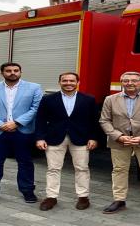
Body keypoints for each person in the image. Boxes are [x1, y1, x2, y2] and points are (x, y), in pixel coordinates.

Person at [99, 71, 140, 219]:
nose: (130, 83)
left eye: (134, 81)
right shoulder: (110, 99)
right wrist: (119, 136)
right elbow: (104, 121)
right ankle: (119, 200)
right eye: (126, 80)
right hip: (119, 141)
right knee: (119, 170)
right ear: (121, 82)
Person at [0, 62, 43, 204]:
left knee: (25, 162)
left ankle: (28, 191)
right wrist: (0, 124)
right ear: (2, 73)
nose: (12, 73)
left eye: (16, 70)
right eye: (8, 71)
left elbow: (35, 108)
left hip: (23, 131)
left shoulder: (34, 88)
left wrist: (17, 122)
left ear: (20, 72)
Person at [34, 72, 99, 211]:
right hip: (54, 137)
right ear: (59, 82)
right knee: (53, 169)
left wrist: (93, 137)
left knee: (82, 168)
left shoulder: (88, 99)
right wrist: (40, 138)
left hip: (81, 138)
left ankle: (83, 197)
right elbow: (40, 120)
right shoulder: (48, 99)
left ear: (78, 82)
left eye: (72, 81)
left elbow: (94, 121)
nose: (68, 83)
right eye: (65, 81)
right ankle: (51, 197)